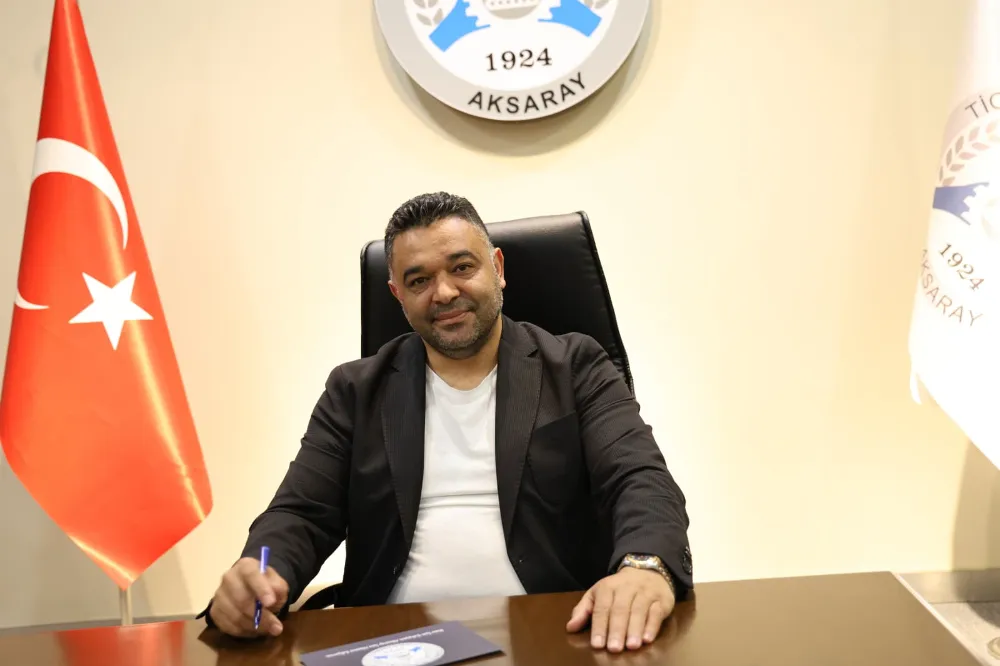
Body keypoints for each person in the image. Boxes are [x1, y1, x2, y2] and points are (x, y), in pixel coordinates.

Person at [200, 192, 693, 653]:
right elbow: (301, 513)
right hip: (393, 642)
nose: (444, 292)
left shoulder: (575, 366)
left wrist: (645, 565)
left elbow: (639, 478)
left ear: (497, 268)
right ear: (396, 293)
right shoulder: (355, 391)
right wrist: (259, 572)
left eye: (462, 267)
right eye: (418, 281)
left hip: (550, 633)